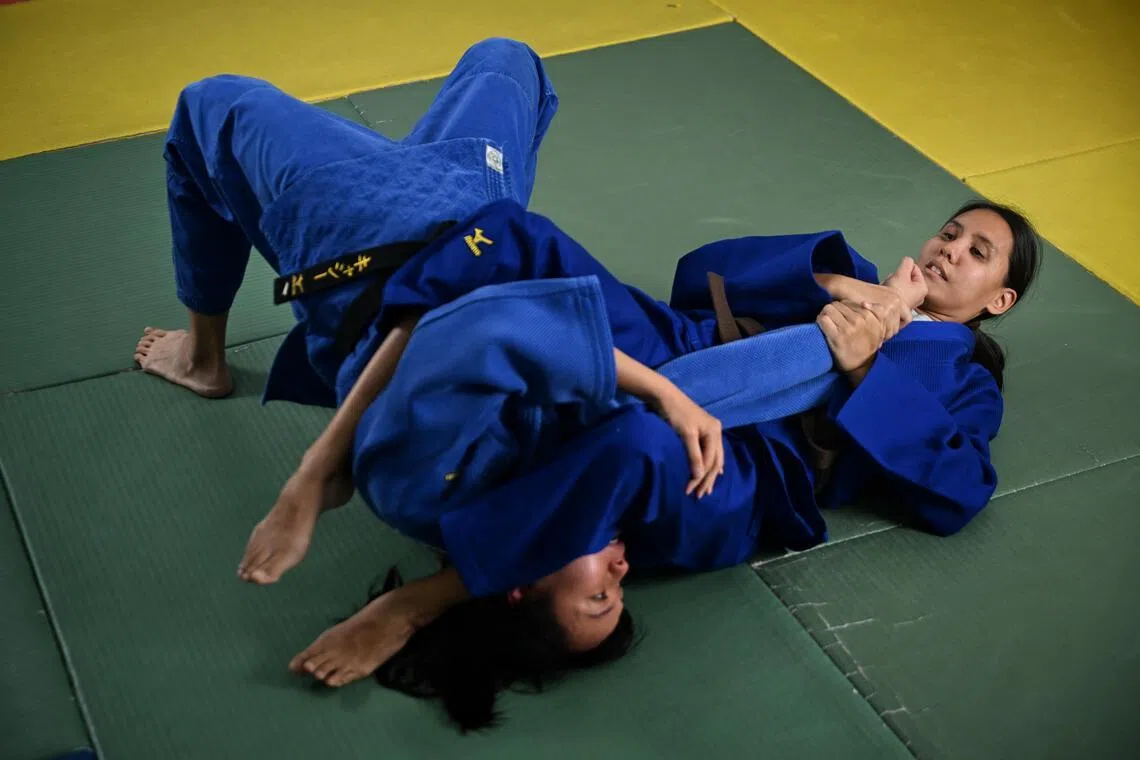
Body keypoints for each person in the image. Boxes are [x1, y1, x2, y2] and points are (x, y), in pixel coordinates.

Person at [134, 38, 1041, 731]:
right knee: (511, 161)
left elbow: (962, 485)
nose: (948, 249)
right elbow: (702, 277)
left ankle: (413, 552)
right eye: (951, 232)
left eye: (976, 253)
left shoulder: (961, 375)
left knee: (642, 420)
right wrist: (838, 288)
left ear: (996, 301)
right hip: (657, 334)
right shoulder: (858, 282)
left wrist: (869, 355)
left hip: (755, 456)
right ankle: (376, 296)